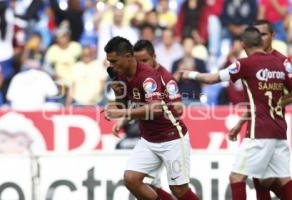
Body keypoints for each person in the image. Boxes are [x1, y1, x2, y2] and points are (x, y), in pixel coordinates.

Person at [183, 26, 292, 199]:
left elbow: (212, 78)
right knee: (280, 181)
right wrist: (279, 103)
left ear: (243, 44)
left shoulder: (245, 64)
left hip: (259, 132)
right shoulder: (280, 63)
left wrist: (190, 74)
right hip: (279, 131)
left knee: (236, 177)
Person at [104, 36, 199, 200]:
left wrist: (123, 114)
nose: (111, 66)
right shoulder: (121, 74)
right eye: (109, 62)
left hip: (171, 137)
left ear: (127, 57)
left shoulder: (148, 76)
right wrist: (119, 95)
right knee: (131, 179)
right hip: (149, 139)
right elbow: (125, 105)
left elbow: (155, 108)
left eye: (114, 61)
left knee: (179, 190)